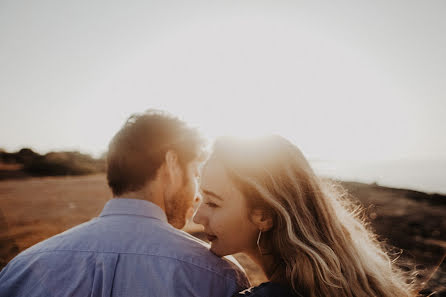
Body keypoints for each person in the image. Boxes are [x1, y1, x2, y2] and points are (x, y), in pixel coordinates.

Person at [0, 110, 249, 297]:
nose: (197, 196)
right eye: (195, 173)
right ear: (172, 164)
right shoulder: (217, 276)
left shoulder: (21, 269)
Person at [193, 135, 418, 297]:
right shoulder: (356, 282)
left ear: (264, 216)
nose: (197, 217)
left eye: (213, 202)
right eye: (200, 199)